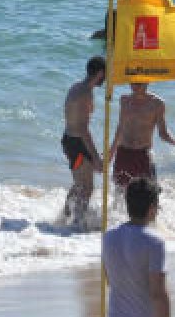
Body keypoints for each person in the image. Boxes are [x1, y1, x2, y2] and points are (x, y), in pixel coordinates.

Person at [101, 177, 170, 317]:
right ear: (151, 208)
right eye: (157, 205)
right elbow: (158, 294)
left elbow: (110, 281)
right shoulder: (154, 242)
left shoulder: (108, 237)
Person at [108, 83, 175, 190]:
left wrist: (173, 140)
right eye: (133, 82)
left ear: (147, 81)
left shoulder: (157, 103)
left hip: (143, 153)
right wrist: (111, 151)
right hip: (123, 152)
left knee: (149, 193)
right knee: (120, 192)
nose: (135, 85)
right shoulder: (124, 100)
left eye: (139, 82)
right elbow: (120, 127)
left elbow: (162, 132)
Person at [61, 55, 106, 229]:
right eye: (106, 75)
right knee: (87, 187)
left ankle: (65, 216)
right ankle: (77, 224)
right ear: (100, 73)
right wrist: (96, 157)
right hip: (77, 141)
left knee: (79, 183)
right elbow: (83, 129)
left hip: (68, 139)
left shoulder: (76, 87)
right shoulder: (86, 93)